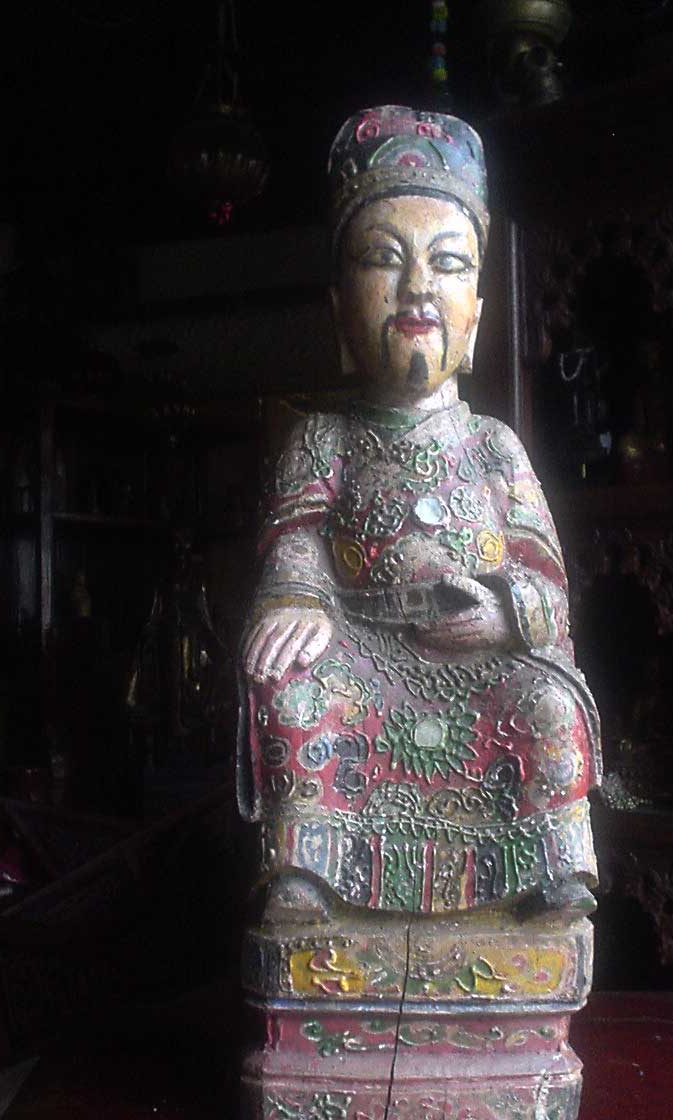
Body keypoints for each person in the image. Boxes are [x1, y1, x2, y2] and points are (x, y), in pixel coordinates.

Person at [237, 105, 600, 925]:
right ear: (340, 310)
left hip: (479, 667)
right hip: (360, 660)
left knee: (547, 705)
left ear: (477, 315)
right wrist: (298, 602)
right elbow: (295, 542)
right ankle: (309, 869)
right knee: (293, 693)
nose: (418, 288)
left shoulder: (495, 446)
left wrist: (505, 613)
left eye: (448, 263)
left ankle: (546, 870)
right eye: (384, 259)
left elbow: (546, 579)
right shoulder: (321, 438)